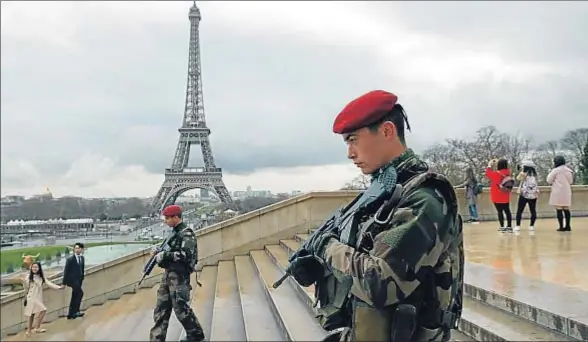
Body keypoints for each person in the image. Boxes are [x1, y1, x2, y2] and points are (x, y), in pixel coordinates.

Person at [289, 90, 464, 341]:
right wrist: (319, 265)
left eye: (353, 140)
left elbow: (380, 283)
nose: (350, 153)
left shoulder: (425, 197)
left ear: (386, 131)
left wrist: (326, 247)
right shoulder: (386, 191)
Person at [149, 204, 205, 342]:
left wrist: (165, 255)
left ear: (176, 217)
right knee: (161, 309)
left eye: (167, 218)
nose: (165, 221)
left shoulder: (187, 233)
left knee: (180, 308)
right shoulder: (174, 233)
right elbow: (169, 249)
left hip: (179, 277)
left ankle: (196, 335)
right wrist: (159, 251)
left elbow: (186, 255)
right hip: (168, 275)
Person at [22, 261, 65, 336]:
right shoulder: (28, 277)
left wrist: (59, 287)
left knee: (33, 314)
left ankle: (34, 329)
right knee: (40, 311)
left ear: (39, 268)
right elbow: (26, 288)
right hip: (31, 297)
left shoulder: (41, 276)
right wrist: (26, 295)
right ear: (31, 268)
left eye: (36, 267)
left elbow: (49, 283)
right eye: (33, 267)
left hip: (38, 297)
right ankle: (33, 329)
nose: (34, 269)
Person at [485, 158, 514, 232]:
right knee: (507, 211)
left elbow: (488, 173)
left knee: (499, 211)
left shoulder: (496, 174)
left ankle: (502, 226)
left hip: (496, 196)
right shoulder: (508, 173)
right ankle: (509, 226)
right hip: (505, 195)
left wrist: (489, 165)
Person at [547, 155, 574, 231]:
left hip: (557, 191)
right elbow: (571, 181)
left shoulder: (555, 170)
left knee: (559, 209)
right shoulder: (569, 170)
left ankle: (561, 226)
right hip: (566, 191)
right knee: (566, 208)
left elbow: (549, 180)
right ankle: (568, 226)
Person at [514, 160, 540, 231]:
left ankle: (518, 226)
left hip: (524, 194)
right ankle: (532, 226)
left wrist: (521, 171)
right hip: (533, 195)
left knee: (520, 210)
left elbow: (518, 178)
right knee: (533, 210)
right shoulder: (535, 174)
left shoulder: (524, 173)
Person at [63, 242, 85, 319]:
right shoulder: (70, 259)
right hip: (72, 280)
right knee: (80, 293)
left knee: (75, 295)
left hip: (79, 280)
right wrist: (64, 283)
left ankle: (71, 314)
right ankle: (76, 311)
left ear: (81, 249)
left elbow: (82, 269)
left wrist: (82, 278)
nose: (77, 250)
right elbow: (66, 271)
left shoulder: (82, 258)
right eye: (76, 248)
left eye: (78, 248)